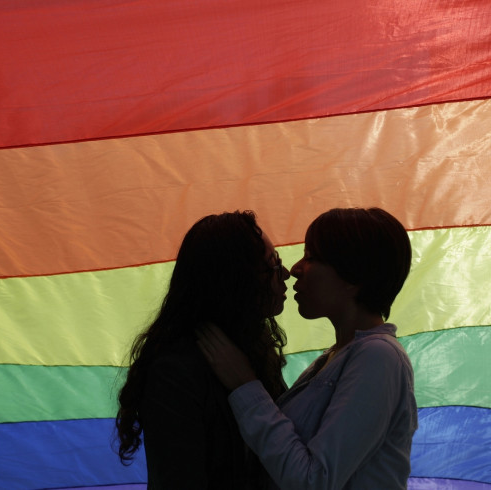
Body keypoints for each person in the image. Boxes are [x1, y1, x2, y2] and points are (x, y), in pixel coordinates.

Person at [197, 207, 417, 490]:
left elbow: (313, 481)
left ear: (353, 277)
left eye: (311, 257)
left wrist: (245, 386)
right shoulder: (336, 356)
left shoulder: (379, 356)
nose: (294, 269)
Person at [115, 210, 291, 489]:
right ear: (236, 281)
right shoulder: (174, 372)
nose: (286, 273)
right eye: (271, 266)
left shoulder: (253, 348)